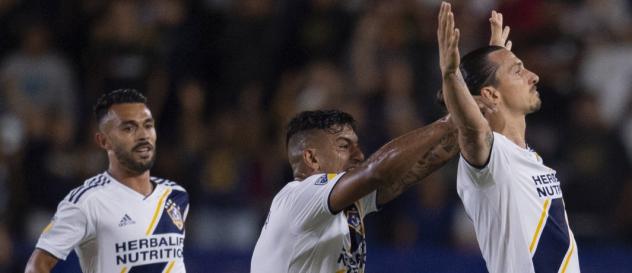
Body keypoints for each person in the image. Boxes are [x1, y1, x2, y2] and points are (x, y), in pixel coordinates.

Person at [437, 2, 580, 273]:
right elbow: (471, 128)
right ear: (491, 94)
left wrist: (496, 60)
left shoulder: (528, 156)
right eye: (518, 71)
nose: (534, 76)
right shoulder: (491, 157)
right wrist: (451, 77)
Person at [24, 89, 189, 273]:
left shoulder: (176, 195)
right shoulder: (87, 201)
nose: (143, 135)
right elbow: (36, 267)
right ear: (104, 141)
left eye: (148, 125)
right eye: (129, 128)